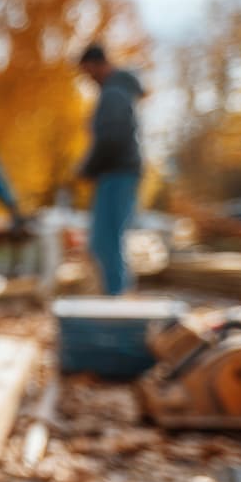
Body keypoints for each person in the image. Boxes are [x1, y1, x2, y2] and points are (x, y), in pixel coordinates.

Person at [78, 43, 144, 295]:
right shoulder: (115, 91)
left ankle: (116, 300)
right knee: (104, 240)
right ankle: (114, 296)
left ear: (98, 65)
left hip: (118, 173)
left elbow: (111, 139)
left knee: (107, 240)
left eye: (88, 72)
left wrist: (87, 168)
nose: (88, 79)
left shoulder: (113, 93)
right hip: (115, 173)